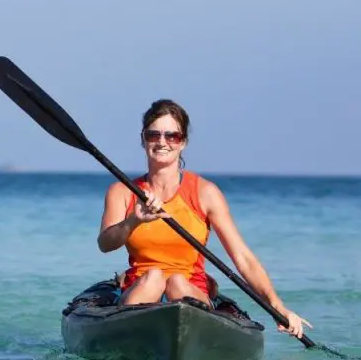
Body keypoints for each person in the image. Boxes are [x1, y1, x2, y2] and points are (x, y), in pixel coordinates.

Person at [96, 99, 311, 339]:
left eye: (172, 136)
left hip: (190, 289)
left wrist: (277, 307)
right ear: (143, 139)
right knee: (154, 278)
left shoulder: (205, 193)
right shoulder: (123, 191)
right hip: (140, 290)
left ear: (183, 142)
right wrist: (133, 221)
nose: (162, 142)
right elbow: (105, 244)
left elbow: (242, 258)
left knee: (176, 283)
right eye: (153, 134)